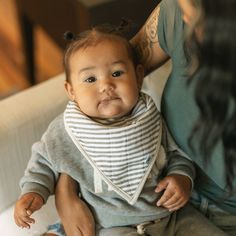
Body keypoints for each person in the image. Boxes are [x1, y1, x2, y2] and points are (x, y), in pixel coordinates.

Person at [13, 24, 226, 236]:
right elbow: (43, 162)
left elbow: (176, 154)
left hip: (173, 216)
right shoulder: (67, 129)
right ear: (71, 90)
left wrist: (182, 177)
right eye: (90, 79)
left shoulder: (149, 118)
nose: (106, 85)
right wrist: (33, 192)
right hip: (113, 227)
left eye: (116, 73)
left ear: (138, 76)